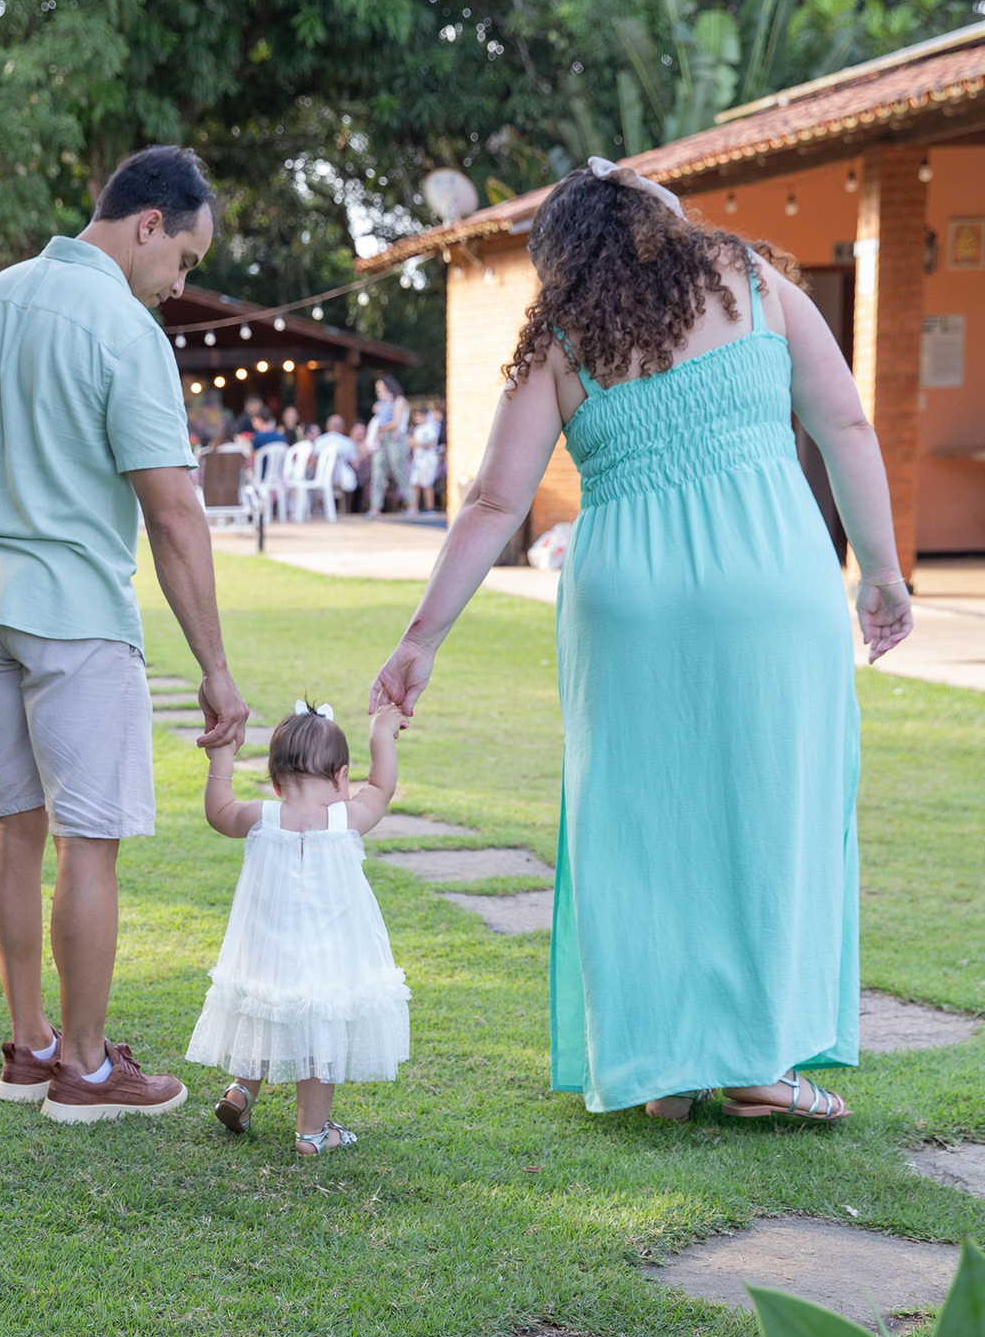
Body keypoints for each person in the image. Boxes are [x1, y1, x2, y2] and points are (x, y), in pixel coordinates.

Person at [371, 158, 913, 1126]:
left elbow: (494, 501)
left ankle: (663, 1067)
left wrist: (421, 640)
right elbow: (845, 423)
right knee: (771, 812)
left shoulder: (563, 342)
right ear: (661, 221)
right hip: (772, 586)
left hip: (629, 604)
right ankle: (759, 1063)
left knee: (642, 826)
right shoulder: (752, 283)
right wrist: (881, 571)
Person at [0, 144, 249, 1124]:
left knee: (16, 828)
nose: (179, 285)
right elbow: (174, 513)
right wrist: (216, 671)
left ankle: (29, 1050)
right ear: (149, 224)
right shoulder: (123, 325)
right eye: (184, 260)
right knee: (90, 841)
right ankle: (87, 1070)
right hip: (70, 610)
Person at [188, 700, 410, 1153]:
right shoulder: (347, 818)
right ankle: (312, 1133)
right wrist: (380, 733)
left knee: (265, 1007)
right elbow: (382, 786)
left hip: (267, 950)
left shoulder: (261, 817)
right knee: (318, 1028)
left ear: (274, 782)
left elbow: (219, 811)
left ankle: (241, 1092)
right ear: (341, 778)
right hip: (328, 955)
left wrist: (222, 756)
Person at [366, 374, 414, 517]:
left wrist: (379, 428)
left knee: (399, 470)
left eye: (381, 388)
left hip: (395, 439)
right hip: (382, 439)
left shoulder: (400, 401)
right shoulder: (382, 403)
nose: (379, 392)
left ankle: (411, 504)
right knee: (377, 471)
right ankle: (375, 507)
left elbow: (396, 422)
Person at [409, 405, 442, 513]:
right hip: (417, 461)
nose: (416, 418)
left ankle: (430, 508)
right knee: (414, 483)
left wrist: (416, 443)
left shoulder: (430, 427)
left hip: (428, 461)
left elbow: (430, 443)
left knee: (427, 484)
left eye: (419, 416)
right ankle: (413, 508)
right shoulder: (417, 429)